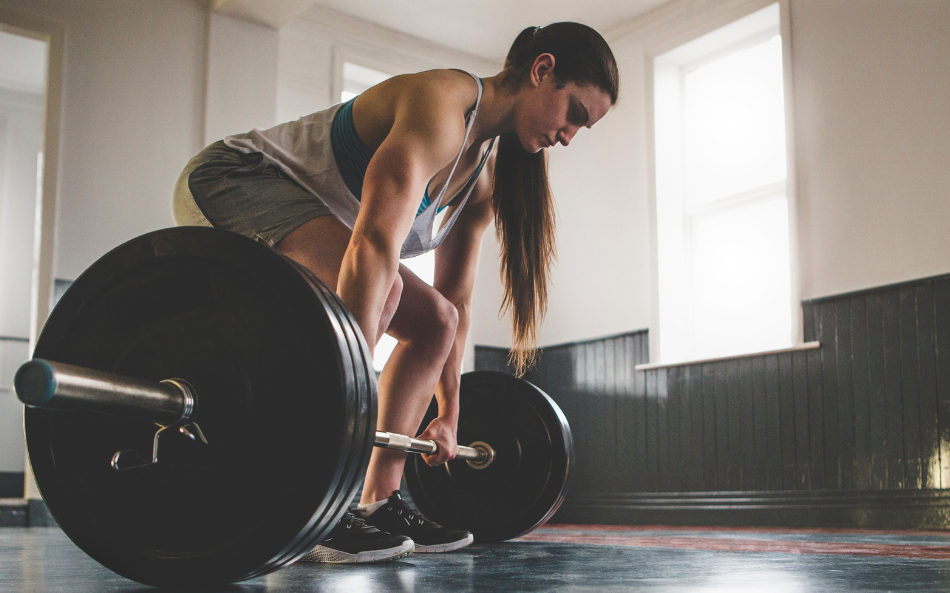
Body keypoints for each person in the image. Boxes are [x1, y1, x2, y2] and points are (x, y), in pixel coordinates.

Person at [173, 23, 618, 564]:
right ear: (541, 70)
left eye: (582, 128)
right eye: (574, 113)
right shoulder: (441, 104)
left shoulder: (480, 180)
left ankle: (379, 502)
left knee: (435, 321)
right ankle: (319, 502)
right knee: (377, 299)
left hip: (316, 225)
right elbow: (373, 247)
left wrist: (451, 411)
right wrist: (350, 393)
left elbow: (455, 301)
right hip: (234, 179)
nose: (569, 136)